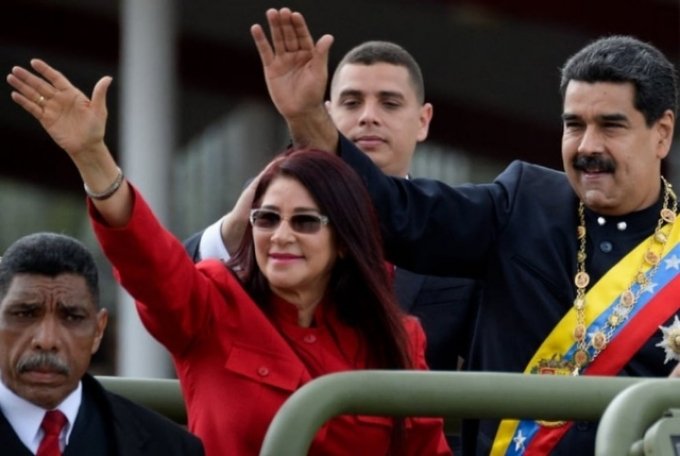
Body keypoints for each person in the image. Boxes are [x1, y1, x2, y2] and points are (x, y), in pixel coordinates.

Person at [247, 8, 680, 456]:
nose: (587, 146)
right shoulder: (523, 202)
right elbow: (397, 212)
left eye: (611, 126)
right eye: (574, 126)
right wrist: (308, 118)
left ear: (661, 134)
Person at [6, 61, 452, 455]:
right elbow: (150, 261)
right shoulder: (213, 306)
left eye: (305, 222)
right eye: (267, 218)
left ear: (343, 241)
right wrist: (92, 157)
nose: (281, 236)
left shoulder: (398, 339)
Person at [186, 40, 478, 373]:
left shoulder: (453, 230)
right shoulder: (272, 213)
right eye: (352, 103)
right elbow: (178, 289)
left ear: (423, 120)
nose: (368, 117)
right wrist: (240, 222)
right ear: (327, 115)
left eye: (389, 103)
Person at [0, 232, 204, 455]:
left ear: (98, 330)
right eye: (24, 314)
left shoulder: (171, 449)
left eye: (72, 317)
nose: (47, 340)